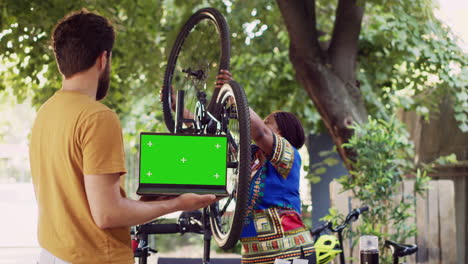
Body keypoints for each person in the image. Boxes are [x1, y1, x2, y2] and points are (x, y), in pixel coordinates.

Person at [29, 9, 217, 264]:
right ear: (103, 59)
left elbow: (80, 202)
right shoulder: (97, 117)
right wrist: (179, 204)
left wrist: (144, 203)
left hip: (52, 255)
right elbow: (107, 214)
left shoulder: (46, 112)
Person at [216, 70, 315, 264]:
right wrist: (182, 110)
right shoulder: (252, 158)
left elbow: (259, 132)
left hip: (289, 251)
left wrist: (236, 95)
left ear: (281, 132)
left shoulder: (289, 154)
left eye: (268, 122)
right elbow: (216, 144)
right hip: (254, 256)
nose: (262, 123)